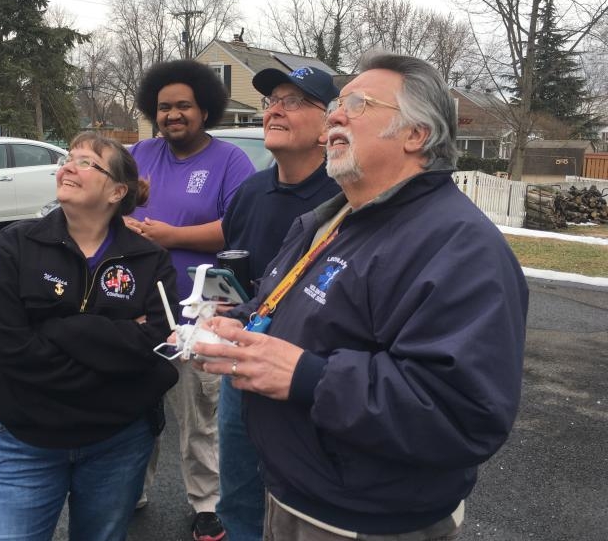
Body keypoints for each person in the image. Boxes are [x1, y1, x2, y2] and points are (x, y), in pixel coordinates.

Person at [195, 53, 528, 540]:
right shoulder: (333, 218)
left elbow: (463, 413)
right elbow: (284, 304)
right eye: (335, 104)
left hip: (364, 520)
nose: (334, 114)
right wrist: (241, 323)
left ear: (417, 135)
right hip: (295, 491)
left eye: (357, 103)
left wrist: (307, 376)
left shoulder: (459, 246)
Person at [0, 132, 179, 541]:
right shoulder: (14, 245)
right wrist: (118, 344)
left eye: (87, 162)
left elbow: (160, 349)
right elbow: (8, 348)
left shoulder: (150, 259)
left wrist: (58, 326)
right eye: (69, 158)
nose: (68, 166)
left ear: (117, 191)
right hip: (25, 439)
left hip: (117, 442)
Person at [127, 59, 256, 541]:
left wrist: (169, 235)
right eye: (164, 107)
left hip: (199, 311)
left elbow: (237, 229)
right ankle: (129, 489)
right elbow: (110, 203)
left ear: (205, 109)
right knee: (135, 408)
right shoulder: (139, 153)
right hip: (140, 308)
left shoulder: (229, 161)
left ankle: (207, 502)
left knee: (201, 414)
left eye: (183, 105)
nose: (172, 115)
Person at [217, 66, 341, 541]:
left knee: (301, 505)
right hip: (241, 369)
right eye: (272, 100)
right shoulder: (249, 193)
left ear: (328, 125)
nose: (273, 109)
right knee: (239, 494)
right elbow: (237, 273)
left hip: (309, 378)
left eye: (293, 101)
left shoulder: (344, 197)